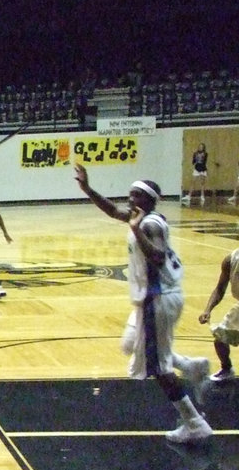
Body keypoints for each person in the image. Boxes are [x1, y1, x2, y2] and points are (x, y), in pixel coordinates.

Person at [75, 163, 213, 443]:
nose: (130, 199)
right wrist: (87, 188)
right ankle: (191, 367)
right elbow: (114, 211)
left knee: (158, 369)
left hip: (157, 299)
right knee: (129, 344)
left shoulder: (148, 224)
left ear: (149, 199)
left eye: (136, 195)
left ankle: (194, 423)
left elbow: (158, 257)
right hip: (151, 300)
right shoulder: (144, 217)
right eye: (130, 194)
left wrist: (136, 230)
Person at [197, 247, 239, 381]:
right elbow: (220, 289)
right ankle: (227, 368)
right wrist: (207, 310)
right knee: (220, 339)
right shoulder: (230, 260)